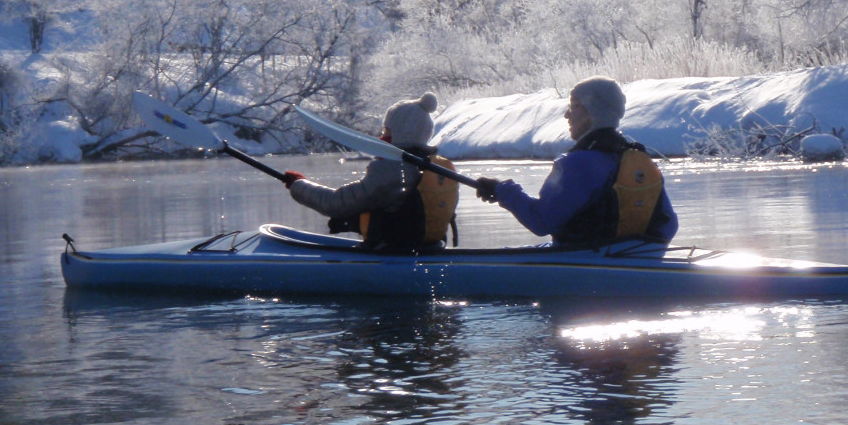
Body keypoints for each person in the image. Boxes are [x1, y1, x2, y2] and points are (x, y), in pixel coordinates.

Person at [475, 76, 677, 248]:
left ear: (592, 112)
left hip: (583, 263)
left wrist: (503, 190)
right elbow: (669, 226)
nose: (567, 115)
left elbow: (541, 221)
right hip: (636, 258)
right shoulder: (641, 160)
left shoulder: (576, 164)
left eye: (574, 106)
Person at [284, 92, 458, 254]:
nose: (382, 137)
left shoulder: (392, 170)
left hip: (393, 256)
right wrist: (352, 221)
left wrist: (298, 185)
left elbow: (335, 203)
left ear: (399, 133)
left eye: (386, 131)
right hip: (429, 250)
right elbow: (397, 209)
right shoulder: (434, 168)